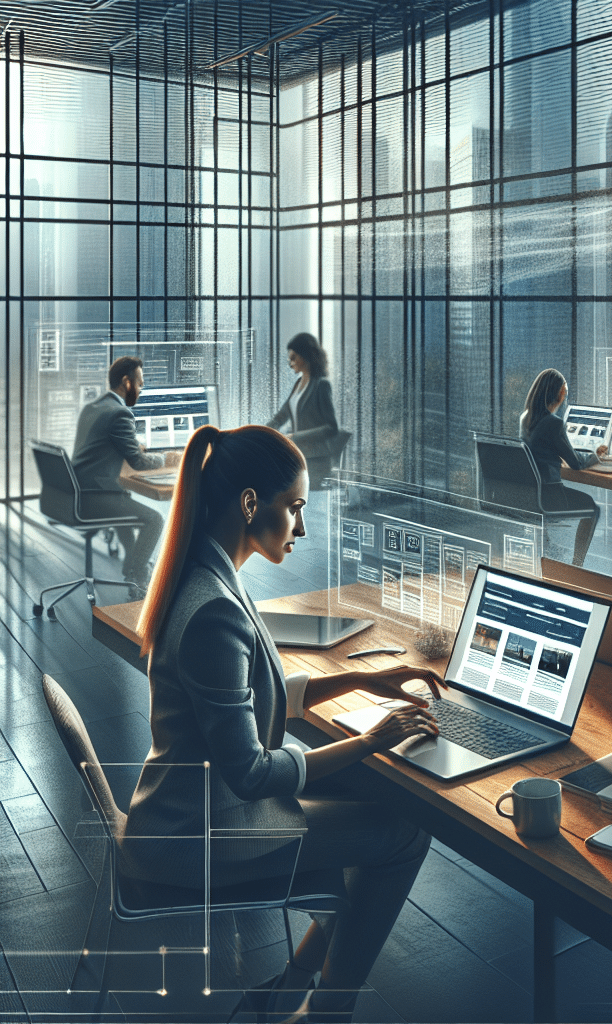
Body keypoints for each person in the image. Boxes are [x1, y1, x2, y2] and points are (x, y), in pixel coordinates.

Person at [126, 424, 444, 1022]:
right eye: (295, 507)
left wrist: (361, 680)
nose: (302, 527)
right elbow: (249, 772)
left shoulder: (204, 573)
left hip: (190, 809)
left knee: (372, 791)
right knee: (404, 833)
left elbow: (242, 695)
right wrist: (370, 739)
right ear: (251, 503)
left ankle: (292, 984)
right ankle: (327, 1006)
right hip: (199, 836)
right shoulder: (214, 607)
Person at [71, 356, 181, 589]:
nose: (141, 390)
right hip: (95, 497)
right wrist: (166, 458)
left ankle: (134, 567)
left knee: (125, 499)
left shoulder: (94, 406)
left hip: (77, 491)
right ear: (126, 382)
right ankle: (138, 573)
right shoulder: (120, 414)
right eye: (140, 384)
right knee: (155, 519)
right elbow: (139, 463)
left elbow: (98, 448)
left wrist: (130, 446)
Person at [519, 368, 607, 566]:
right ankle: (577, 564)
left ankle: (546, 553)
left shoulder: (525, 418)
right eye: (565, 391)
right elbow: (576, 464)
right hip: (550, 495)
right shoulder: (554, 423)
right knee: (592, 509)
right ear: (559, 393)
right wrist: (596, 454)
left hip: (529, 493)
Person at [268, 333, 347, 488]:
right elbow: (281, 416)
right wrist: (261, 431)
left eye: (294, 358)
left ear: (306, 356)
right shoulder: (298, 383)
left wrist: (295, 437)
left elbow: (331, 428)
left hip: (316, 460)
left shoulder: (321, 386)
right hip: (299, 456)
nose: (290, 363)